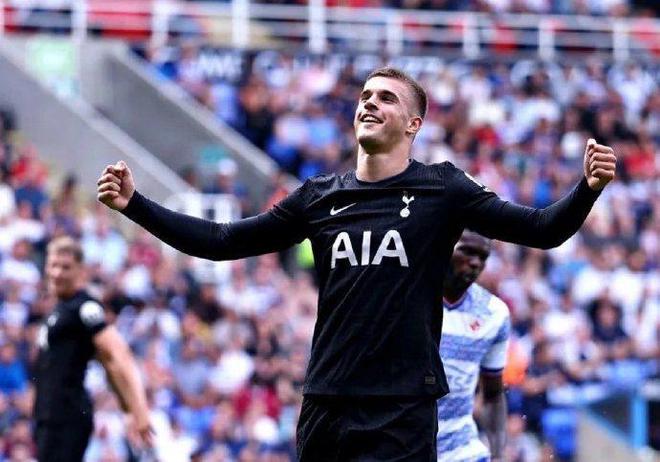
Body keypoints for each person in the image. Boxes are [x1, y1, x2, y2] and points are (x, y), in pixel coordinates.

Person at [97, 67, 616, 461]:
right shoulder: (320, 195)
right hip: (327, 402)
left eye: (386, 98)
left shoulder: (443, 188)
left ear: (413, 124)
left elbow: (542, 229)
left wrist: (587, 188)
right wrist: (135, 205)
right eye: (366, 96)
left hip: (402, 408)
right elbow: (220, 240)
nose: (370, 102)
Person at [32, 236, 152, 462]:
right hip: (49, 419)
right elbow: (108, 366)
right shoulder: (61, 309)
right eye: (53, 265)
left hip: (66, 419)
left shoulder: (85, 307)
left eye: (65, 267)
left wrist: (139, 410)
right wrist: (127, 409)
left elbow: (119, 355)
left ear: (80, 270)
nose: (57, 273)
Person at [437, 231, 509, 462]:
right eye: (467, 252)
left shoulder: (494, 314)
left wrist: (497, 455)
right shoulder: (407, 299)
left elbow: (493, 395)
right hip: (403, 446)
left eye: (483, 257)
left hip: (461, 450)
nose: (476, 263)